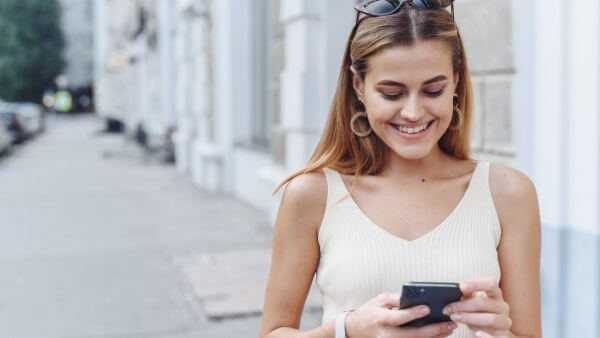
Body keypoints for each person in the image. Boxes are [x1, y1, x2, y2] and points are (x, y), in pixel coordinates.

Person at [260, 1, 542, 337]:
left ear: (455, 82)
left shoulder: (508, 193)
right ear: (358, 86)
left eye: (433, 90)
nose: (412, 112)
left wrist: (499, 332)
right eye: (391, 93)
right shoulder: (312, 195)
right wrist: (347, 330)